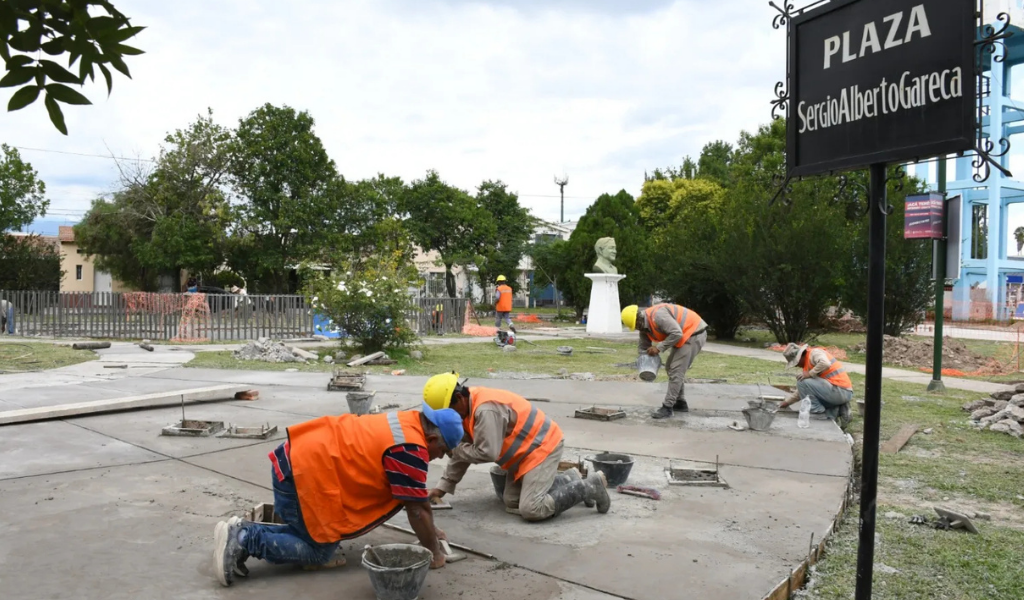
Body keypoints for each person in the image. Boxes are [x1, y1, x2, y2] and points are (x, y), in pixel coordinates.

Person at [211, 404, 464, 586]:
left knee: (317, 538)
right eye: (443, 450)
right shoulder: (410, 449)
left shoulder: (408, 421)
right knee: (317, 552)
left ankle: (243, 532)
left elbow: (418, 505)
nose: (440, 457)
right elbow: (417, 510)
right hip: (300, 476)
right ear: (431, 438)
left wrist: (432, 530)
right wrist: (435, 552)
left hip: (297, 460)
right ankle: (244, 537)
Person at [422, 372, 610, 521]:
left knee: (532, 509)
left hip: (543, 447)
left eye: (448, 411)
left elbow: (486, 453)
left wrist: (452, 449)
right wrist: (442, 488)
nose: (447, 417)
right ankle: (571, 479)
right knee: (512, 502)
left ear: (458, 397)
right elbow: (463, 451)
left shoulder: (485, 410)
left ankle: (590, 486)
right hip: (523, 456)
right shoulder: (464, 411)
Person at [621, 303, 708, 419]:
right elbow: (643, 348)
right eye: (635, 328)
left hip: (694, 333)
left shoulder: (658, 316)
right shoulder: (643, 326)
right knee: (669, 368)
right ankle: (680, 402)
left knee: (676, 370)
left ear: (639, 318)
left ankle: (667, 407)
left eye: (637, 326)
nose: (638, 329)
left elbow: (677, 333)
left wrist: (658, 348)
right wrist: (643, 362)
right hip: (684, 335)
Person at [779, 343, 853, 424]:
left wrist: (810, 373)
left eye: (796, 363)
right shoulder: (807, 366)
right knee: (805, 385)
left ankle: (817, 413)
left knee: (802, 382)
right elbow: (802, 390)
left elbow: (825, 363)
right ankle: (838, 410)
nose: (797, 366)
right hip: (838, 392)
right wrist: (787, 402)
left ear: (800, 357)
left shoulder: (814, 353)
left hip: (840, 391)